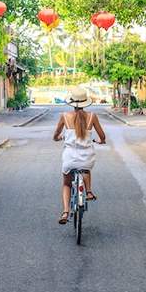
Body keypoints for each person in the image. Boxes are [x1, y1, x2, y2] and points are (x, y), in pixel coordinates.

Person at [53, 86, 106, 225]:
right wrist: (101, 141)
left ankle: (65, 212)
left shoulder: (64, 116)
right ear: (85, 102)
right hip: (87, 157)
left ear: (72, 102)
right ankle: (88, 191)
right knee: (86, 168)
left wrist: (57, 138)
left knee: (66, 184)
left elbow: (56, 134)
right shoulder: (92, 117)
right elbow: (102, 136)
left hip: (69, 158)